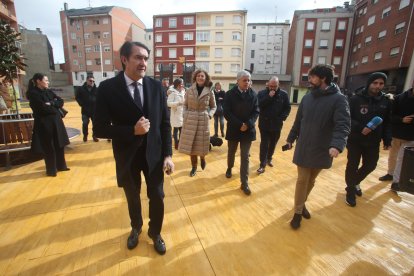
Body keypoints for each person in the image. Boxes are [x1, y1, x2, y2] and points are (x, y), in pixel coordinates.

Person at [93, 41, 174, 255]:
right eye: (138, 57)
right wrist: (131, 131)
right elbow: (99, 129)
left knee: (157, 195)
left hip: (154, 156)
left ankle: (155, 232)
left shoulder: (156, 87)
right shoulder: (108, 89)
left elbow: (165, 124)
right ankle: (136, 227)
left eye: (146, 58)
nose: (143, 62)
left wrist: (168, 154)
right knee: (132, 195)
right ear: (124, 59)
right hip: (127, 155)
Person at [285, 64, 350, 229]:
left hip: (323, 148)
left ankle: (301, 204)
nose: (309, 79)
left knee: (311, 180)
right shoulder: (307, 98)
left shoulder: (339, 99)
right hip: (304, 146)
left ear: (324, 79)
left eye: (313, 77)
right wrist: (290, 139)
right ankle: (298, 212)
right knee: (302, 180)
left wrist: (337, 145)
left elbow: (342, 125)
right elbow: (298, 121)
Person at [345, 72, 392, 207]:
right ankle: (351, 191)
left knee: (371, 165)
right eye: (375, 83)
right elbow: (347, 118)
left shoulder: (386, 101)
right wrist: (361, 128)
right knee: (352, 165)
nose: (378, 86)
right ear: (369, 83)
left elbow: (387, 122)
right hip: (355, 139)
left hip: (373, 141)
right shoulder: (355, 99)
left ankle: (351, 185)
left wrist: (387, 140)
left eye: (381, 83)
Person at [26, 73, 70, 177]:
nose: (48, 82)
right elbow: (42, 108)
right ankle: (51, 170)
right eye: (46, 80)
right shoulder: (33, 94)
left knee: (59, 144)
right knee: (49, 147)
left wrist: (51, 103)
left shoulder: (48, 91)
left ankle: (61, 166)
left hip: (56, 122)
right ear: (38, 81)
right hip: (44, 124)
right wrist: (53, 104)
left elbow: (60, 101)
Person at [224, 70, 259, 195]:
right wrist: (240, 124)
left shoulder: (253, 95)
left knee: (245, 156)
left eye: (248, 80)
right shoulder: (229, 94)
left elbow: (256, 112)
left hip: (248, 131)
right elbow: (227, 112)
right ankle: (229, 167)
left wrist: (248, 124)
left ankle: (244, 183)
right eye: (244, 80)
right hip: (234, 129)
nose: (247, 82)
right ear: (237, 81)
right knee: (231, 152)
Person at [178, 69, 216, 177]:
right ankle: (194, 166)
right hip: (190, 120)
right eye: (198, 76)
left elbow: (213, 106)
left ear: (205, 78)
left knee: (202, 144)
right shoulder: (189, 90)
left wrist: (209, 115)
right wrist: (185, 114)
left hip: (203, 121)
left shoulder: (209, 91)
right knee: (192, 146)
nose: (200, 77)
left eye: (202, 76)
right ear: (195, 77)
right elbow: (185, 105)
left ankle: (203, 158)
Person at [256, 76, 291, 174]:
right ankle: (262, 165)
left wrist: (282, 118)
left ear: (278, 85)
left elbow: (287, 107)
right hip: (264, 124)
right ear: (267, 84)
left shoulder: (284, 94)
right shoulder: (262, 93)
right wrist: (269, 97)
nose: (272, 88)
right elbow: (259, 105)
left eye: (274, 86)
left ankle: (269, 158)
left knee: (273, 143)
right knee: (264, 144)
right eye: (271, 86)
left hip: (277, 124)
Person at [386, 79, 414, 192]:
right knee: (392, 156)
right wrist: (402, 119)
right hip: (397, 133)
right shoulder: (399, 98)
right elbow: (391, 116)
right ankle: (390, 173)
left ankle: (396, 182)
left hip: (411, 136)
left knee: (402, 159)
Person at [76, 75, 99, 142]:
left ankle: (94, 136)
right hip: (85, 110)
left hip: (94, 110)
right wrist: (81, 104)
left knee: (95, 124)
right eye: (90, 80)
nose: (92, 82)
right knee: (85, 123)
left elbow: (100, 99)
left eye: (93, 81)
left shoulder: (97, 89)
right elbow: (77, 97)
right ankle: (85, 135)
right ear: (86, 80)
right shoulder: (81, 89)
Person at [167, 78, 186, 150]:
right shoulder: (172, 92)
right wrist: (178, 103)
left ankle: (180, 144)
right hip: (176, 114)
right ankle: (176, 144)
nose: (182, 85)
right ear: (177, 84)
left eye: (183, 83)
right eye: (181, 83)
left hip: (182, 113)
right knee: (176, 130)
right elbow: (168, 103)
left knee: (182, 130)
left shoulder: (183, 91)